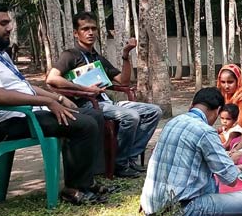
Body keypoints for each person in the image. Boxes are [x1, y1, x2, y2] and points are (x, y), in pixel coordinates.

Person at [0, 2, 108, 205]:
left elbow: (24, 86)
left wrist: (58, 98)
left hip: (26, 113)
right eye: (3, 23)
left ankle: (85, 181)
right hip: (10, 121)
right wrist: (47, 101)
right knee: (84, 123)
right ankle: (73, 189)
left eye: (9, 22)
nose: (9, 28)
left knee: (93, 115)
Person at [47, 11, 163, 178]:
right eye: (85, 29)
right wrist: (84, 89)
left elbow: (122, 81)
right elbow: (52, 78)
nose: (90, 32)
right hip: (88, 105)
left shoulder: (98, 58)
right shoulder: (70, 55)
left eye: (93, 28)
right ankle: (120, 163)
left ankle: (129, 158)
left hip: (108, 103)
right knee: (131, 116)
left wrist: (125, 55)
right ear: (76, 33)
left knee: (154, 111)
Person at [140, 88, 242, 216]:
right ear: (217, 110)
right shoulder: (205, 131)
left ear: (192, 105)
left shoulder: (172, 122)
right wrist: (233, 169)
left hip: (151, 209)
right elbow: (230, 179)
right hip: (184, 213)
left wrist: (235, 167)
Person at [217, 64, 242, 130]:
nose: (226, 86)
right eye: (223, 82)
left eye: (230, 82)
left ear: (238, 81)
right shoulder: (226, 95)